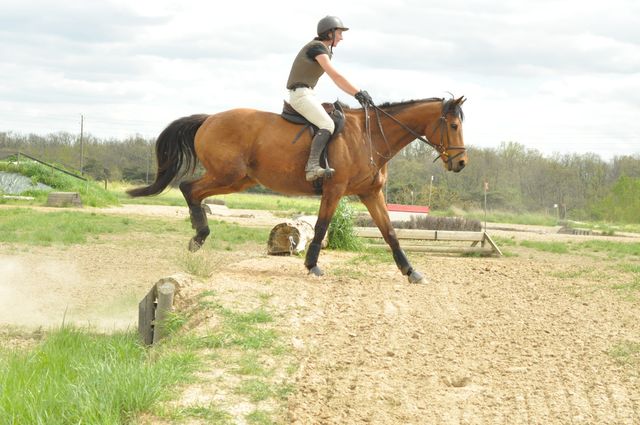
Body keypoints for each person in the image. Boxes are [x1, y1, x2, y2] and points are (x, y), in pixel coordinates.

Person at [286, 15, 373, 181]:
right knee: (327, 124)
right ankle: (312, 167)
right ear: (329, 33)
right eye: (339, 33)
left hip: (307, 93)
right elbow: (336, 77)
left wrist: (357, 94)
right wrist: (358, 93)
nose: (341, 37)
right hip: (301, 95)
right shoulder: (317, 48)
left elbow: (337, 80)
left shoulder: (322, 49)